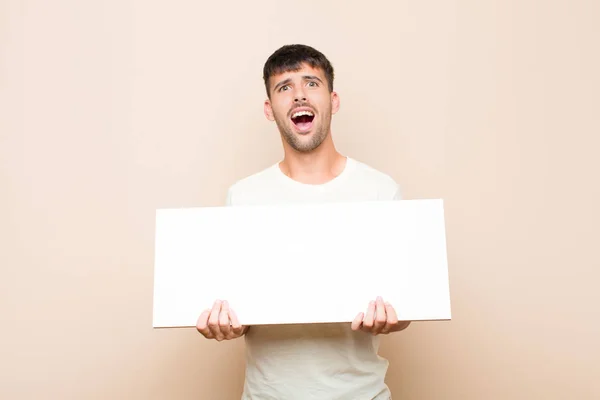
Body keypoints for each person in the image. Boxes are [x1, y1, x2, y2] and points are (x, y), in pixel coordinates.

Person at [196, 44, 411, 400]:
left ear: (333, 100)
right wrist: (225, 324)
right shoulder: (243, 196)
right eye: (284, 87)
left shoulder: (380, 190)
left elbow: (405, 307)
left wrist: (393, 317)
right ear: (270, 109)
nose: (299, 95)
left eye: (311, 83)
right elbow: (242, 309)